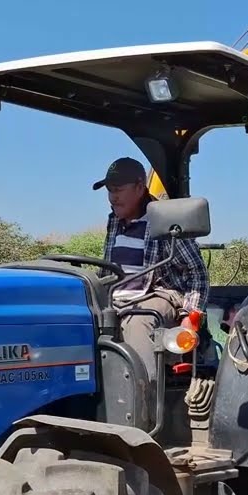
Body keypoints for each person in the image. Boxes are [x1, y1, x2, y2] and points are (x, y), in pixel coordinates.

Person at [93, 156, 209, 380]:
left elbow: (198, 273)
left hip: (158, 293)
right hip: (117, 298)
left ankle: (144, 403)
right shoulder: (115, 221)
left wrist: (190, 316)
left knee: (139, 320)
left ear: (139, 187)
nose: (112, 197)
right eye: (109, 190)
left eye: (118, 189)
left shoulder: (164, 221)